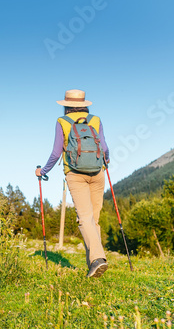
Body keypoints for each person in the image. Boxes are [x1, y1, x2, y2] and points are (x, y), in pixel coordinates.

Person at [35, 89, 110, 278]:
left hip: (75, 174)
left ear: (66, 106)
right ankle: (93, 266)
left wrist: (42, 171)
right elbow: (105, 148)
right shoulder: (96, 120)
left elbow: (55, 153)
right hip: (97, 172)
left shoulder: (62, 122)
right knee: (93, 220)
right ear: (85, 104)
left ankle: (98, 259)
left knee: (84, 218)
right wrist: (105, 161)